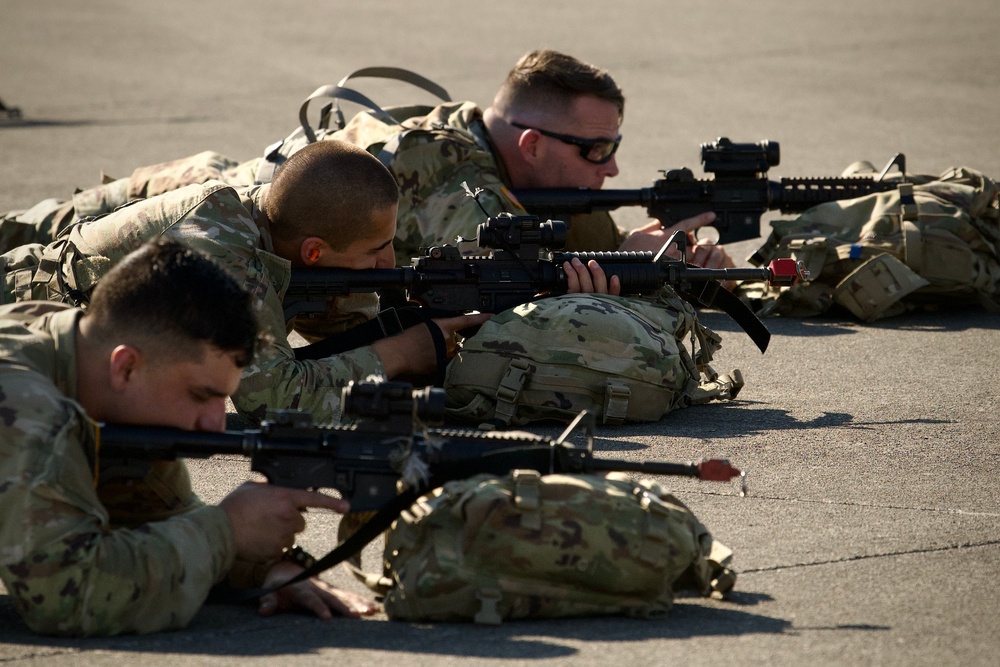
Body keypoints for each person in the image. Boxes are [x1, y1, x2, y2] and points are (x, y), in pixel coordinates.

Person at [0, 239, 378, 636]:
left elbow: (158, 516)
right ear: (126, 367)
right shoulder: (24, 404)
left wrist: (261, 567)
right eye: (201, 396)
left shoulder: (85, 360)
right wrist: (227, 531)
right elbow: (71, 594)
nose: (216, 425)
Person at [0, 140, 494, 426]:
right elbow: (273, 400)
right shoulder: (222, 248)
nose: (390, 261)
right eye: (376, 251)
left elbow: (329, 330)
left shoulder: (278, 217)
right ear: (314, 252)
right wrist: (405, 352)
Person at [327, 49, 736, 271]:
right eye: (596, 150)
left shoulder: (535, 176)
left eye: (612, 147)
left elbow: (598, 245)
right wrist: (625, 266)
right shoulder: (458, 183)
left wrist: (684, 261)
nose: (611, 168)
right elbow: (518, 302)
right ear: (533, 145)